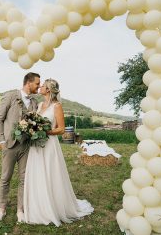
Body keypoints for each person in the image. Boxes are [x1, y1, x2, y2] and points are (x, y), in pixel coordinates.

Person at [23, 79, 94, 226]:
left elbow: (61, 129)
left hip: (49, 145)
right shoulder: (41, 105)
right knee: (38, 173)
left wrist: (44, 130)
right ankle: (38, 207)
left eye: (43, 86)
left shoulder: (57, 106)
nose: (40, 87)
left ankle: (52, 208)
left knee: (50, 173)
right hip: (36, 145)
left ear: (48, 89)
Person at [0, 72, 40, 223]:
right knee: (5, 177)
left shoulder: (34, 102)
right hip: (10, 145)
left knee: (24, 179)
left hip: (26, 146)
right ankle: (2, 209)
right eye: (37, 84)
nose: (39, 87)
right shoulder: (11, 96)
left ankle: (20, 209)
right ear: (28, 83)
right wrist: (2, 140)